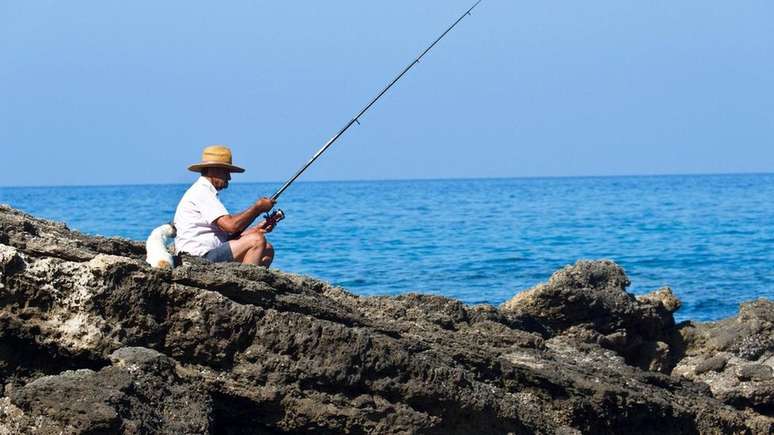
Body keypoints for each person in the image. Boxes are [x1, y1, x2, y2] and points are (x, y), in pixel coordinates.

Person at [174, 145, 276, 266]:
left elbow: (226, 235)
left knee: (267, 249)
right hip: (197, 258)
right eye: (226, 172)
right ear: (214, 170)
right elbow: (231, 226)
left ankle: (244, 278)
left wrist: (256, 229)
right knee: (257, 240)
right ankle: (244, 283)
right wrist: (257, 208)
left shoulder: (206, 192)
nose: (229, 177)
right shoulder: (201, 192)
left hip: (211, 253)